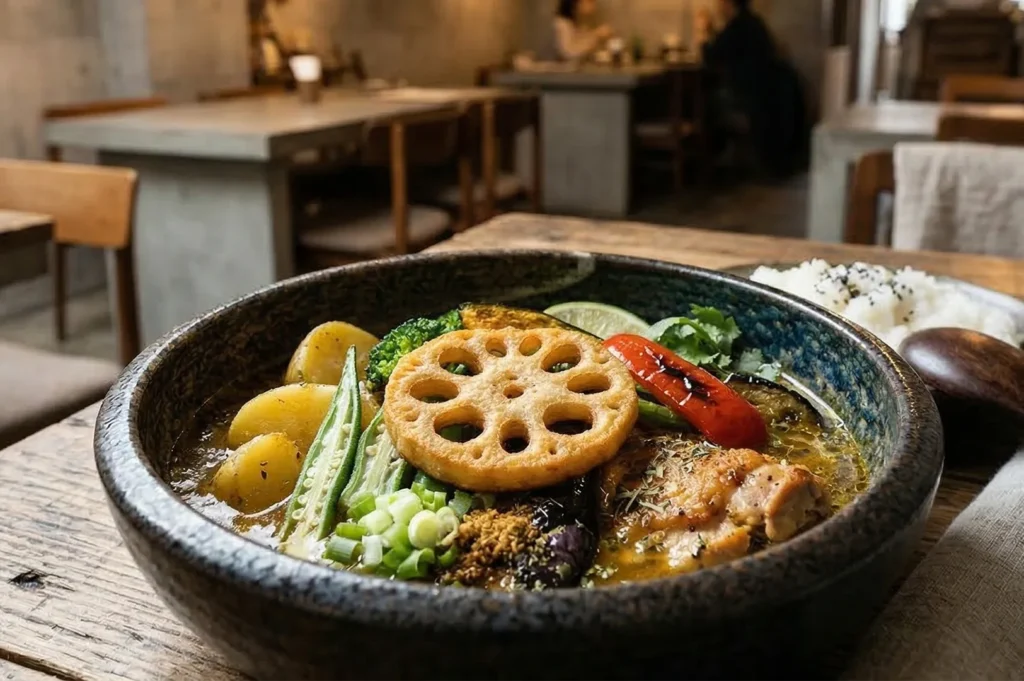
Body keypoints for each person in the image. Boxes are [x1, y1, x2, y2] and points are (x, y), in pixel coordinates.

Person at [696, 0, 808, 176]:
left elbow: (711, 56)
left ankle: (708, 165)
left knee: (705, 104)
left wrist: (702, 32)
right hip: (765, 93)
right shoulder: (754, 23)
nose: (717, 7)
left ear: (728, 4)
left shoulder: (736, 27)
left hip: (749, 95)